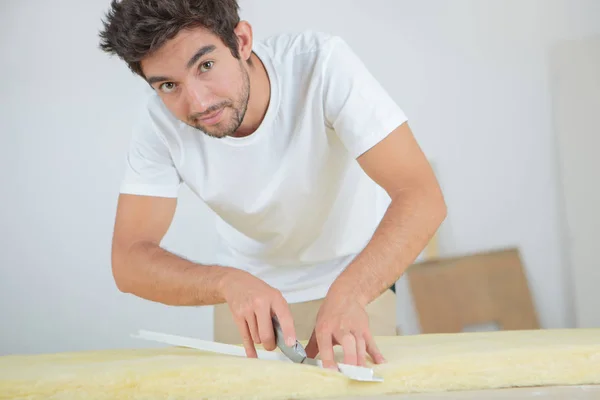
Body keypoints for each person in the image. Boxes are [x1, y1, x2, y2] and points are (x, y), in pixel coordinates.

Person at [98, 0, 447, 370]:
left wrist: (351, 294)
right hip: (245, 300)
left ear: (242, 41)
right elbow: (129, 260)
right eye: (169, 85)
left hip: (355, 280)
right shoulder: (158, 122)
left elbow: (422, 197)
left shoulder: (321, 65)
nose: (198, 102)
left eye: (206, 65)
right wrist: (226, 283)